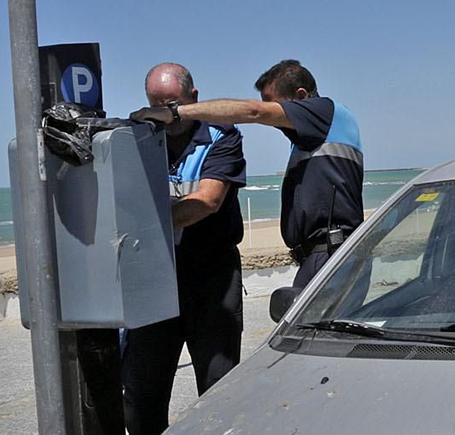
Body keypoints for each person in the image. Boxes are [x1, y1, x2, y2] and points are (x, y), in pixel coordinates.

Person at [132, 59, 363, 289]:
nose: (273, 123)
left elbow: (254, 112)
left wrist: (174, 112)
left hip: (332, 254)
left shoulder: (324, 112)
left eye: (275, 108)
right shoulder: (312, 138)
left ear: (301, 97)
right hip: (324, 256)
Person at [122, 62, 247, 435]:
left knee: (217, 385)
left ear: (194, 99)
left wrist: (143, 219)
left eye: (173, 105)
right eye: (156, 106)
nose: (166, 116)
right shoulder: (136, 143)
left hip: (211, 277)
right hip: (154, 277)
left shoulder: (222, 138)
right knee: (142, 393)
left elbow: (207, 201)